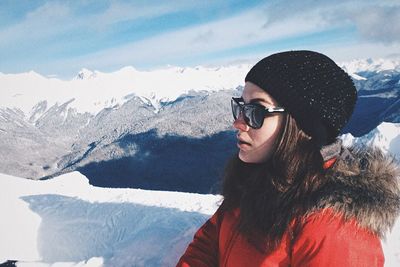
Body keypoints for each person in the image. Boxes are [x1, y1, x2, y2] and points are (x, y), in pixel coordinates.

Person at [176, 50, 400, 267]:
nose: (238, 122)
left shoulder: (334, 227)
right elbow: (208, 244)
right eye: (240, 107)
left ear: (302, 124)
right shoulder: (256, 180)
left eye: (256, 111)